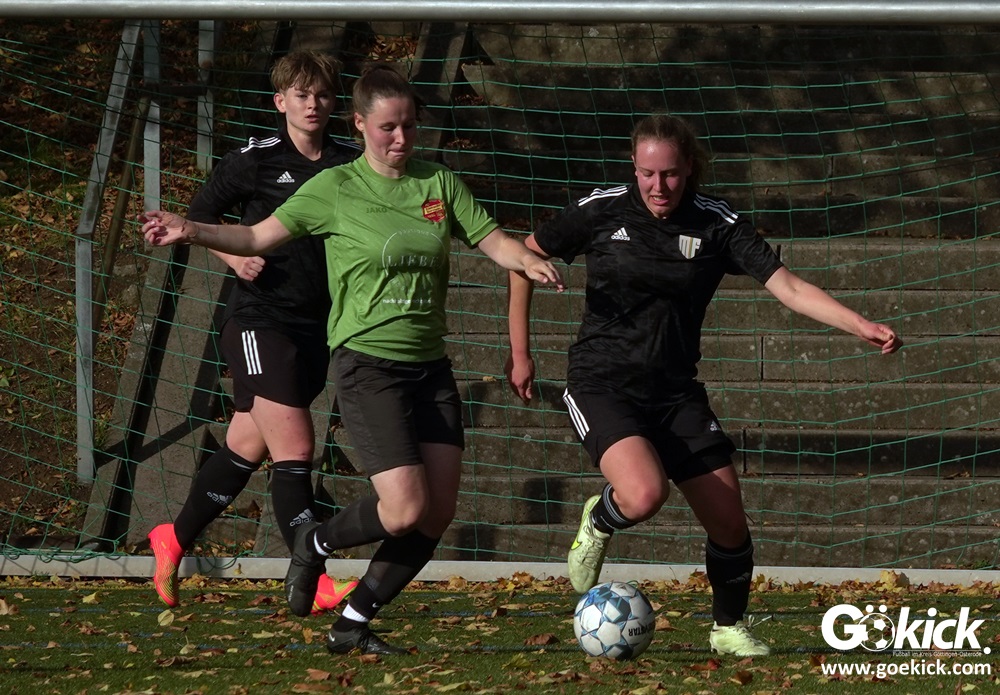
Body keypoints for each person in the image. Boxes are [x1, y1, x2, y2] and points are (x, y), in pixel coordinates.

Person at [141, 64, 565, 655]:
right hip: (368, 366)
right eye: (388, 127)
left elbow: (493, 241)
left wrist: (527, 260)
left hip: (430, 368)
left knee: (435, 514)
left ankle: (352, 623)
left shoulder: (439, 183)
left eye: (409, 126)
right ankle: (313, 544)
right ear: (361, 124)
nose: (401, 138)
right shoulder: (334, 186)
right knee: (402, 506)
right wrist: (192, 230)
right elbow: (257, 237)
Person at [505, 113, 902, 657]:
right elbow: (521, 258)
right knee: (645, 494)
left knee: (729, 521)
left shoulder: (716, 223)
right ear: (634, 167)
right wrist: (521, 353)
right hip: (601, 383)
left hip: (674, 392)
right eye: (647, 173)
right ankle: (599, 520)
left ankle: (727, 627)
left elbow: (788, 287)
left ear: (689, 168)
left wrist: (860, 325)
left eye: (670, 173)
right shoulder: (601, 210)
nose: (658, 186)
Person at [147, 51, 361, 616]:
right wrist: (233, 258)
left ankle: (172, 537)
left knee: (246, 444)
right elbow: (198, 217)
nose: (312, 105)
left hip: (318, 324)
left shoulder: (350, 161)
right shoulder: (255, 159)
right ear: (280, 101)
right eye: (301, 95)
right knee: (296, 448)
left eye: (322, 95)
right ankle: (313, 577)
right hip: (258, 320)